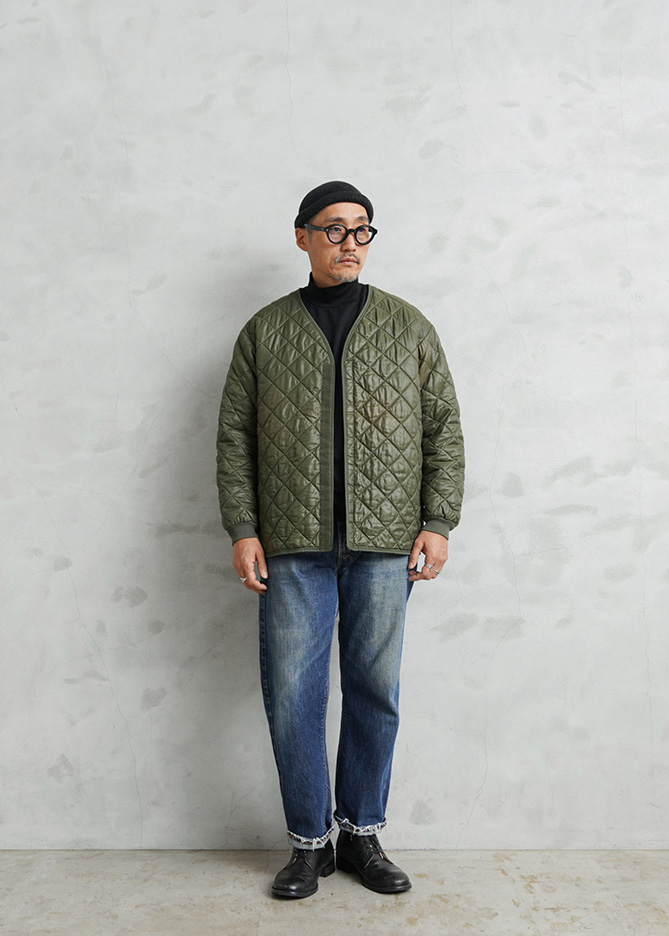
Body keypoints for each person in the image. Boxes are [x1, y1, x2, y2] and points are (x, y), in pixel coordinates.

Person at [216, 181, 464, 900]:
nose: (350, 242)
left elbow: (443, 428)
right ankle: (308, 843)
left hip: (385, 544)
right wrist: (243, 528)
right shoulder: (265, 331)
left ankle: (361, 834)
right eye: (334, 229)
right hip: (292, 545)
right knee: (294, 695)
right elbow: (234, 438)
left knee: (375, 691)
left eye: (362, 230)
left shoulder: (408, 326)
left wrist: (438, 521)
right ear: (302, 237)